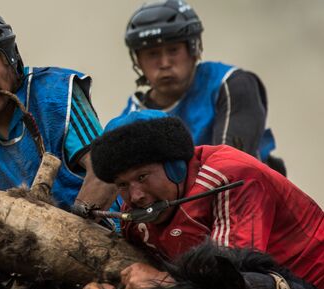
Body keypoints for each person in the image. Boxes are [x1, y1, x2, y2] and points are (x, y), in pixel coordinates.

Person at [77, 110, 322, 289]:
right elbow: (130, 267)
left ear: (175, 166)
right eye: (123, 185)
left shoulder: (232, 177)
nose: (135, 196)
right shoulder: (137, 216)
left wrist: (162, 282)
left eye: (142, 177)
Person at [0, 6, 116, 214]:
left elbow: (104, 169)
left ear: (11, 58)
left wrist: (74, 229)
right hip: (25, 244)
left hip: (102, 231)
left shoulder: (56, 94)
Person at [120, 0, 286, 174]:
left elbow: (229, 171)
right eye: (152, 54)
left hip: (242, 198)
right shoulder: (131, 116)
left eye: (173, 50)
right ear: (138, 61)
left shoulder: (230, 85)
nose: (164, 63)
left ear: (194, 49)